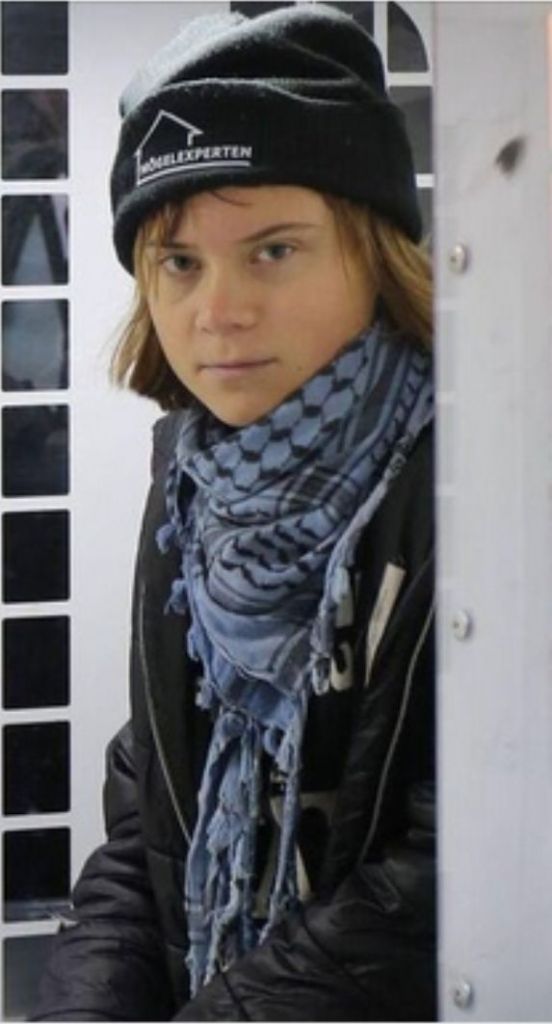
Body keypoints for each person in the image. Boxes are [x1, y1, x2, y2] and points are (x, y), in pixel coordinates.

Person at [31, 4, 436, 1021]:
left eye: (274, 251)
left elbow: (438, 879)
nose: (218, 312)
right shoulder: (193, 482)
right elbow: (150, 826)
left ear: (374, 248)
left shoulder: (483, 484)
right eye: (180, 262)